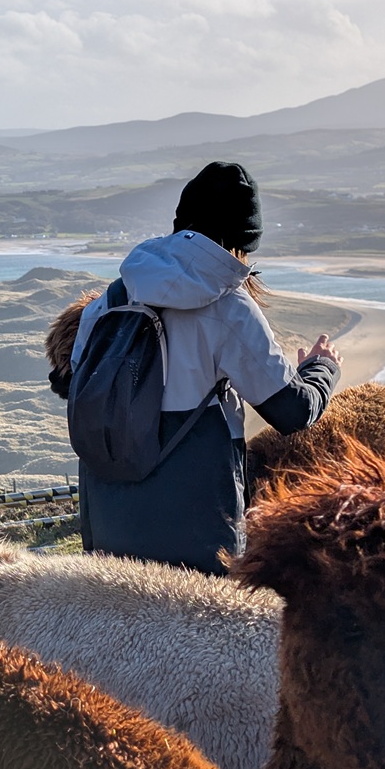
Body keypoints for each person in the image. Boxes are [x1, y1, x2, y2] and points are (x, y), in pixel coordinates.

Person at [67, 160, 339, 573]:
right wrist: (322, 368)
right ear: (242, 241)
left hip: (107, 523)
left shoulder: (111, 299)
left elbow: (74, 385)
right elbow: (292, 411)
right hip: (197, 528)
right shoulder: (228, 307)